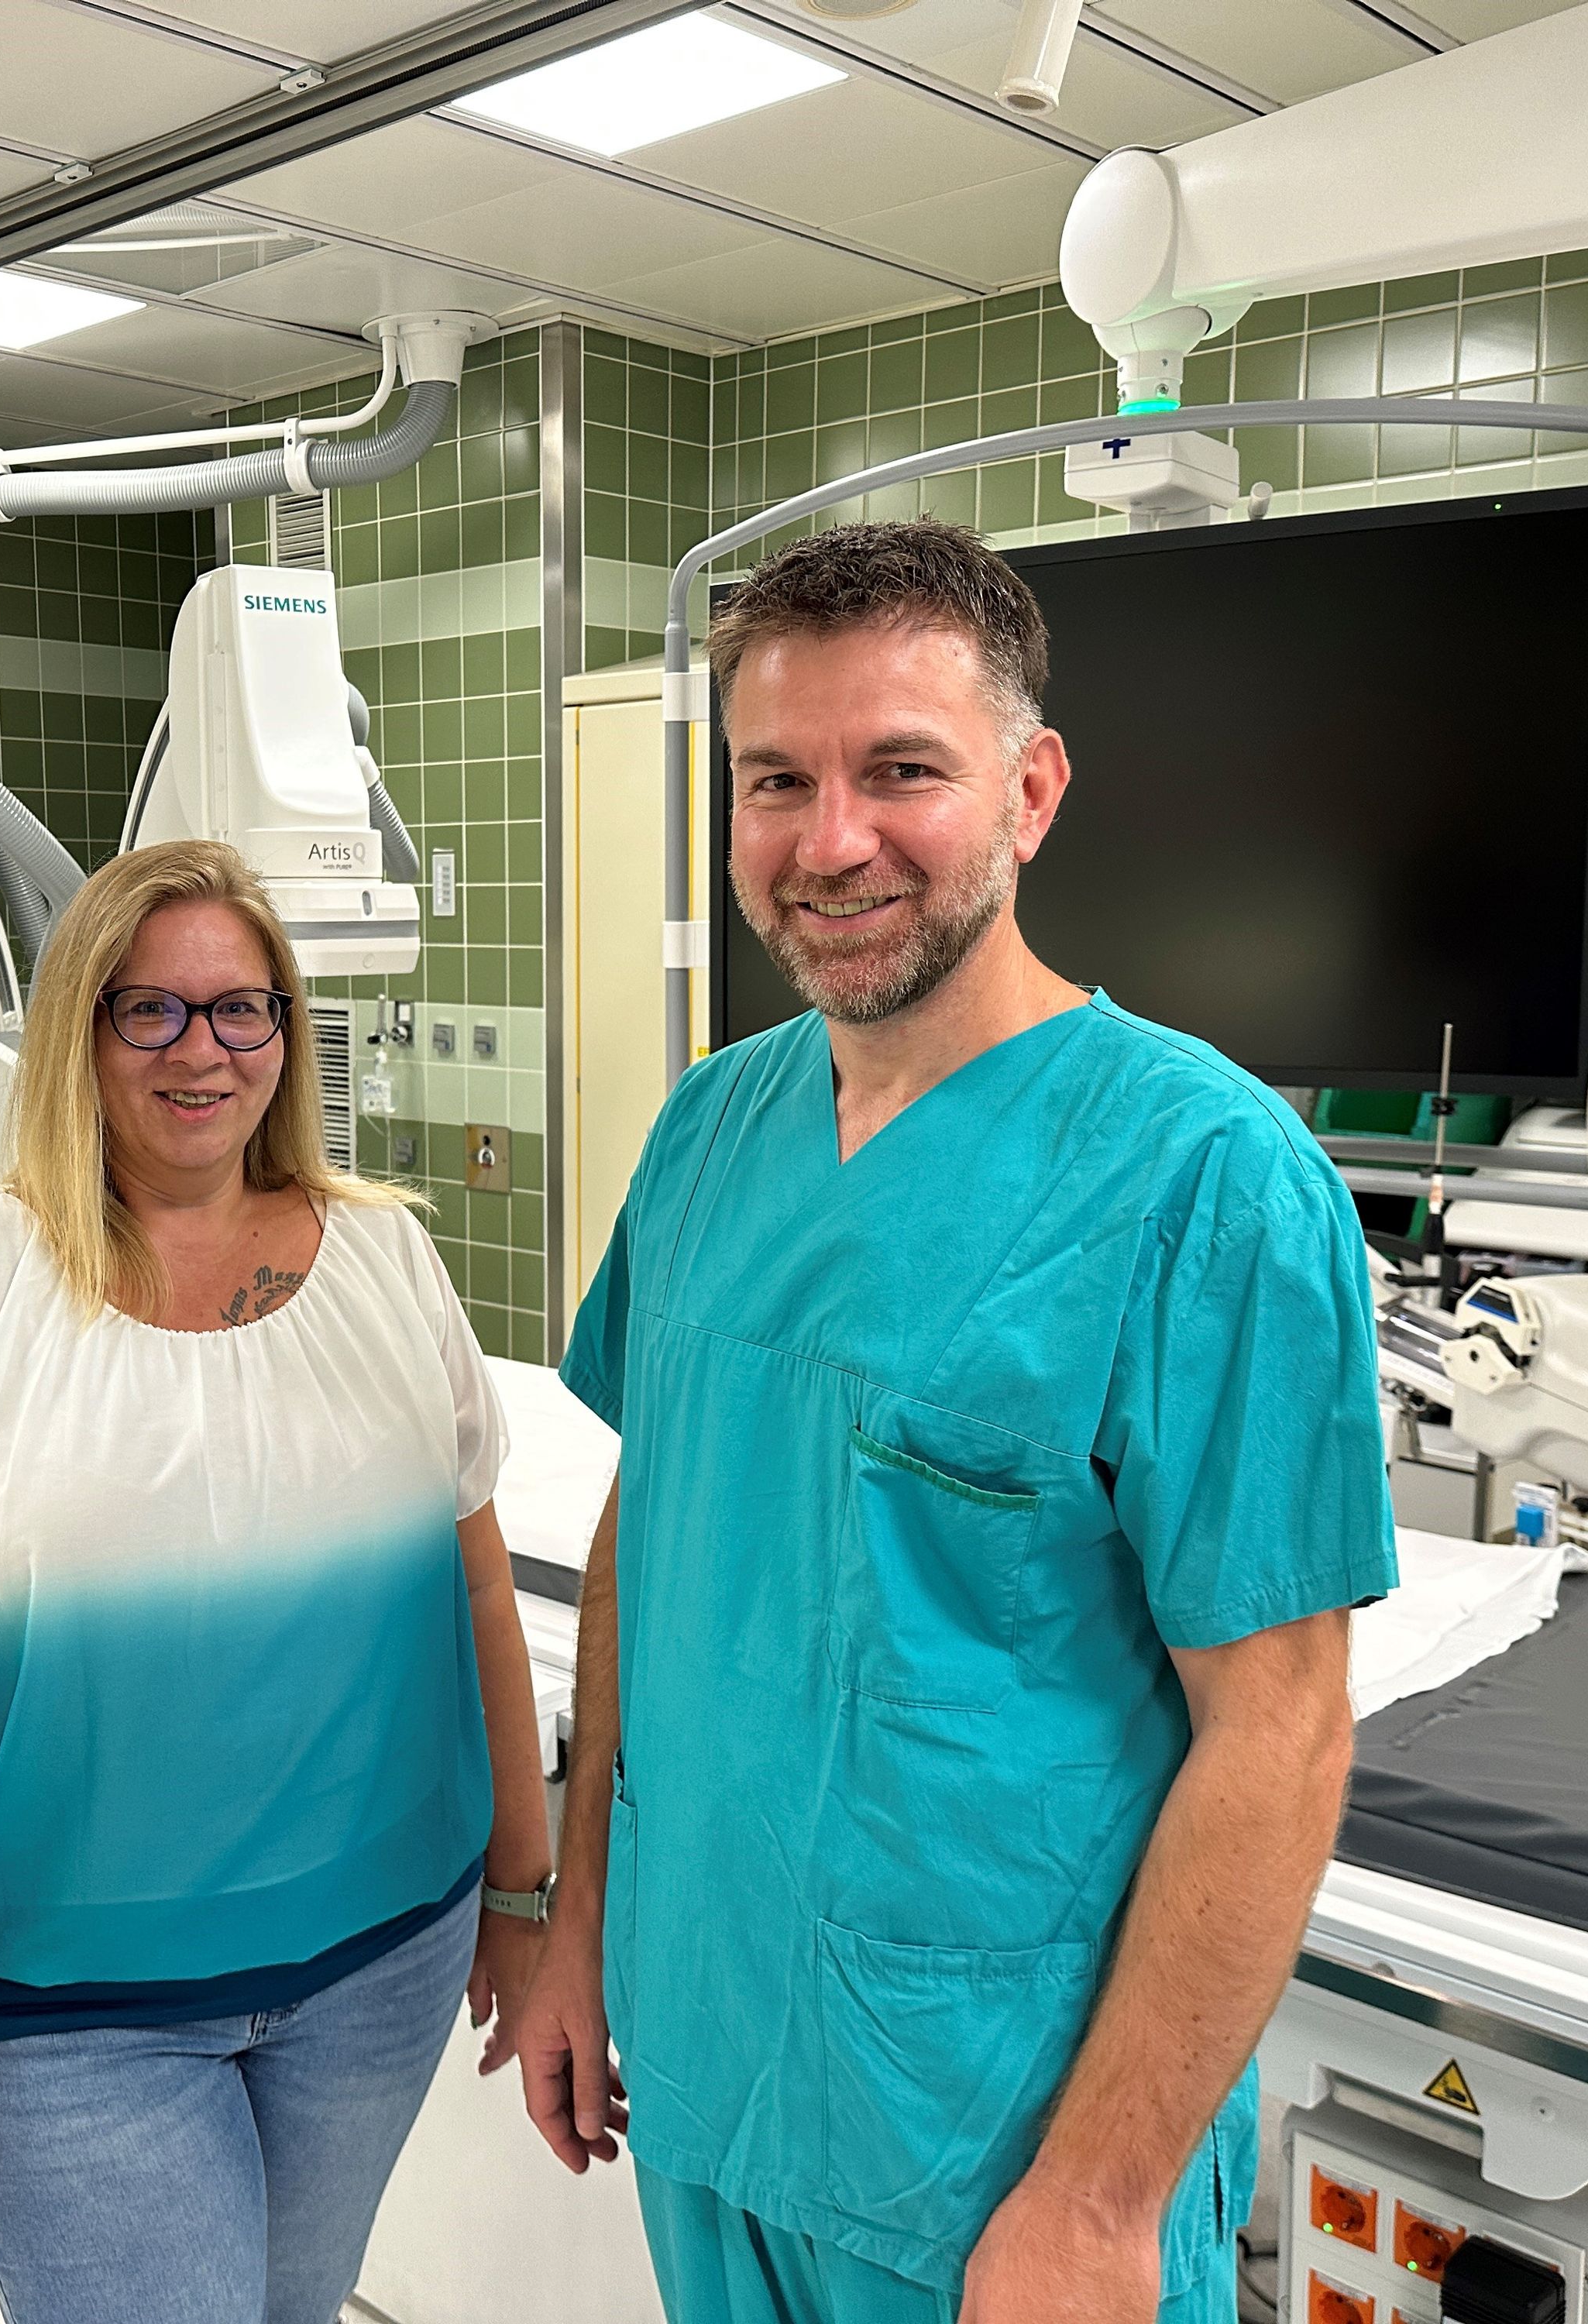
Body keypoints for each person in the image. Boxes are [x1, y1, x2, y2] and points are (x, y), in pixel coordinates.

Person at [514, 522, 1397, 2324]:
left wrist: (1094, 2199)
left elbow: (1279, 1732)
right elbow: (652, 1530)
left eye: (898, 771)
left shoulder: (1206, 1183)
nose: (828, 842)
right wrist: (573, 1926)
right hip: (703, 2058)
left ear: (1029, 789)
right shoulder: (705, 1133)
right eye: (776, 781)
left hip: (992, 2148)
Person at [0, 837, 556, 2324]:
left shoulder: (388, 1260)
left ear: (286, 1032)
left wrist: (524, 1893)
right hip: (75, 2010)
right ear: (84, 1029)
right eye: (154, 1012)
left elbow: (475, 1600)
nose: (205, 1052)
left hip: (379, 1963)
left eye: (242, 1009)